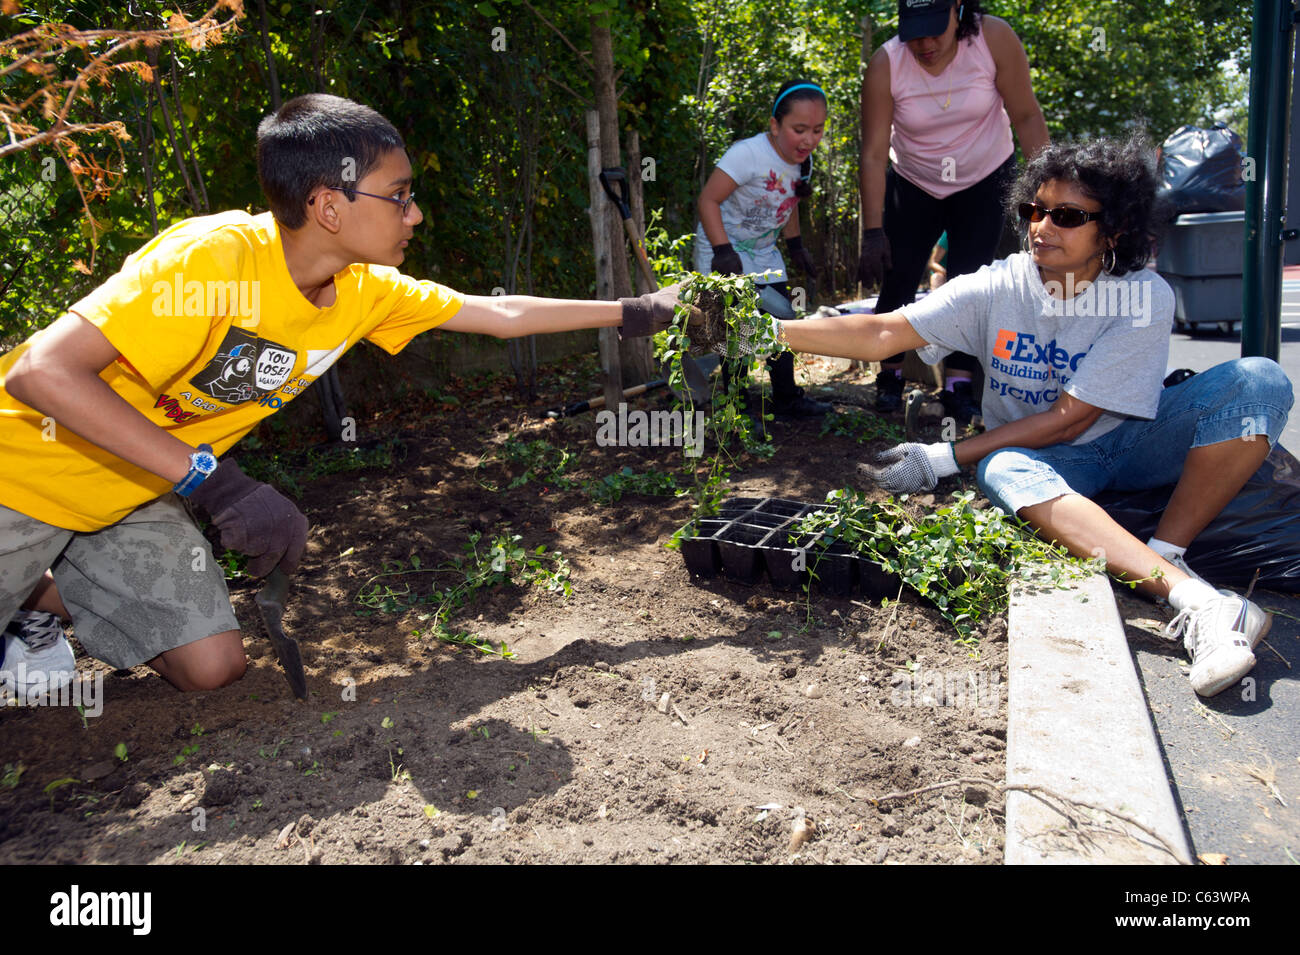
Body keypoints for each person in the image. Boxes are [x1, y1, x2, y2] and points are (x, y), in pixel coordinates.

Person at [0, 94, 693, 697]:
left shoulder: (364, 290)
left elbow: (500, 313)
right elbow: (41, 375)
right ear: (328, 205)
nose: (414, 214)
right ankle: (27, 587)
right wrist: (215, 483)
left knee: (212, 667)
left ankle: (38, 598)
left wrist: (640, 310)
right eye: (399, 195)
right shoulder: (210, 260)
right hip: (22, 476)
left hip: (128, 487)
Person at [740, 137, 1294, 698]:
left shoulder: (1141, 296)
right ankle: (1194, 599)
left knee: (1258, 380)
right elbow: (886, 332)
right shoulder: (998, 286)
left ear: (1116, 230)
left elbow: (1070, 419)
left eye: (1068, 216)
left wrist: (944, 457)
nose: (1041, 227)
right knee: (1004, 468)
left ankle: (1172, 569)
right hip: (1052, 463)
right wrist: (763, 331)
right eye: (1034, 209)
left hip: (1132, 442)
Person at [858, 0, 1048, 419]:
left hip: (985, 177)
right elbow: (872, 154)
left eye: (934, 31)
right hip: (913, 182)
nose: (924, 44)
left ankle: (960, 383)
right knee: (899, 273)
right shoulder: (886, 63)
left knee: (971, 281)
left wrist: (1044, 195)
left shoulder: (993, 39)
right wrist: (873, 232)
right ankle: (889, 375)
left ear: (958, 11)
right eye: (915, 32)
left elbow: (1027, 116)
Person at [694, 79, 831, 418]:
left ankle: (787, 398)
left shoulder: (805, 160)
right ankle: (736, 410)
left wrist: (796, 244)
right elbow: (707, 200)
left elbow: (791, 200)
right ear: (775, 125)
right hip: (722, 246)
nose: (809, 140)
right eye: (799, 129)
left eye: (817, 130)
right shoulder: (748, 154)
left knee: (782, 319)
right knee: (735, 330)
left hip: (765, 251)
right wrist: (723, 251)